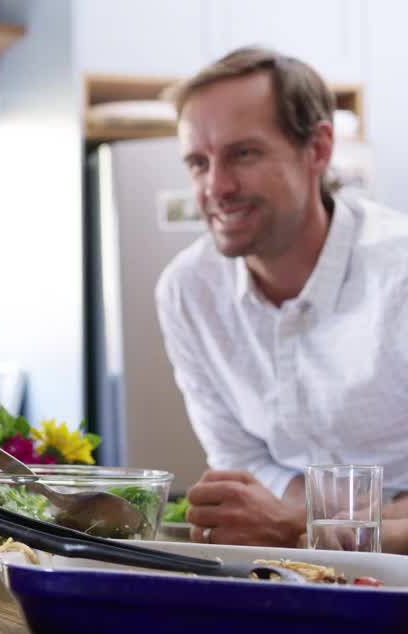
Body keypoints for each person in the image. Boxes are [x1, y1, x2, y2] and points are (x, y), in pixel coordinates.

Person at [156, 46, 408, 551]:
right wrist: (366, 519)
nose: (216, 187)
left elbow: (279, 516)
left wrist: (299, 526)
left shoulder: (398, 275)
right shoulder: (187, 291)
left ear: (317, 149)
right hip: (290, 572)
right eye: (198, 163)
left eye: (243, 153)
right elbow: (242, 461)